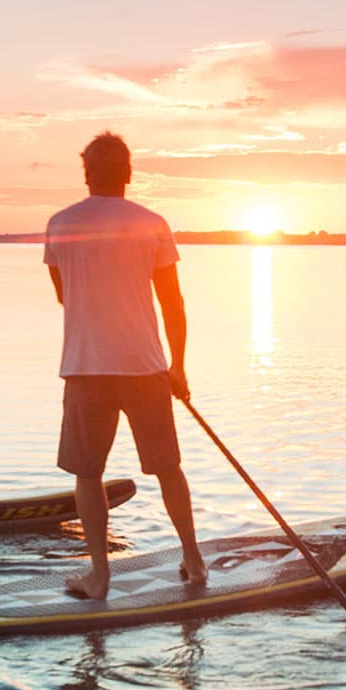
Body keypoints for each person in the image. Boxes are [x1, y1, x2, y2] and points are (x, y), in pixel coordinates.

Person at [44, 132, 208, 599]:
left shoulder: (60, 224)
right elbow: (172, 303)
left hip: (85, 365)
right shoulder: (153, 223)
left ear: (87, 173)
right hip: (144, 367)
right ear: (129, 174)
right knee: (168, 467)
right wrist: (179, 366)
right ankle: (193, 560)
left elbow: (63, 295)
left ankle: (99, 577)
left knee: (88, 472)